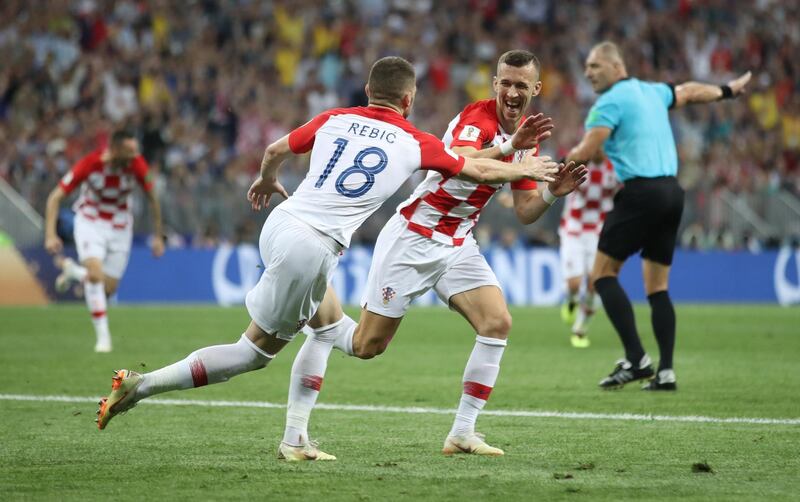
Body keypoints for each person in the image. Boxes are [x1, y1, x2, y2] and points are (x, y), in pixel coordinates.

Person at [94, 56, 562, 461]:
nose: (512, 91)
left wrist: (263, 180)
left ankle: (296, 439)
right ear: (409, 100)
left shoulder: (334, 117)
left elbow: (275, 150)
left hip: (282, 220)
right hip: (314, 247)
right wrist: (518, 159)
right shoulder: (415, 141)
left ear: (367, 92)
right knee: (257, 352)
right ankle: (143, 385)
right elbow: (472, 164)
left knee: (321, 324)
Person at [280, 50, 587, 459]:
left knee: (497, 322)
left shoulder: (525, 138)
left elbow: (527, 212)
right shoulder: (478, 120)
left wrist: (551, 192)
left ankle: (462, 433)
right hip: (414, 237)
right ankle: (321, 321)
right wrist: (514, 149)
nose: (512, 92)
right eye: (505, 83)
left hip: (458, 241)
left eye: (520, 85)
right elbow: (461, 163)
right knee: (367, 346)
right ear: (495, 84)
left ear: (536, 88)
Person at [566, 41, 751, 390]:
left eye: (595, 65)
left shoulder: (608, 102)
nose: (588, 72)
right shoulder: (652, 91)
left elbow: (589, 149)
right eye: (587, 67)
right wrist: (726, 90)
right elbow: (689, 92)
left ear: (617, 67)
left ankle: (636, 359)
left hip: (641, 193)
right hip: (672, 193)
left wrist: (561, 166)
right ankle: (666, 371)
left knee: (602, 275)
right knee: (658, 287)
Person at [44, 130, 165, 353]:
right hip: (91, 222)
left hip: (120, 227)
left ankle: (74, 272)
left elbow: (153, 198)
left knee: (108, 288)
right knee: (96, 276)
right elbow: (55, 197)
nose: (135, 156)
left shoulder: (137, 165)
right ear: (115, 149)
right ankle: (103, 339)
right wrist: (50, 234)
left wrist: (159, 236)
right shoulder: (90, 164)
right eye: (129, 151)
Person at [558, 156, 616, 348]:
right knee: (574, 284)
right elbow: (555, 175)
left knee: (595, 284)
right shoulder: (579, 160)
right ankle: (571, 300)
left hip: (598, 231)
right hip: (573, 229)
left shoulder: (615, 167)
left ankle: (580, 330)